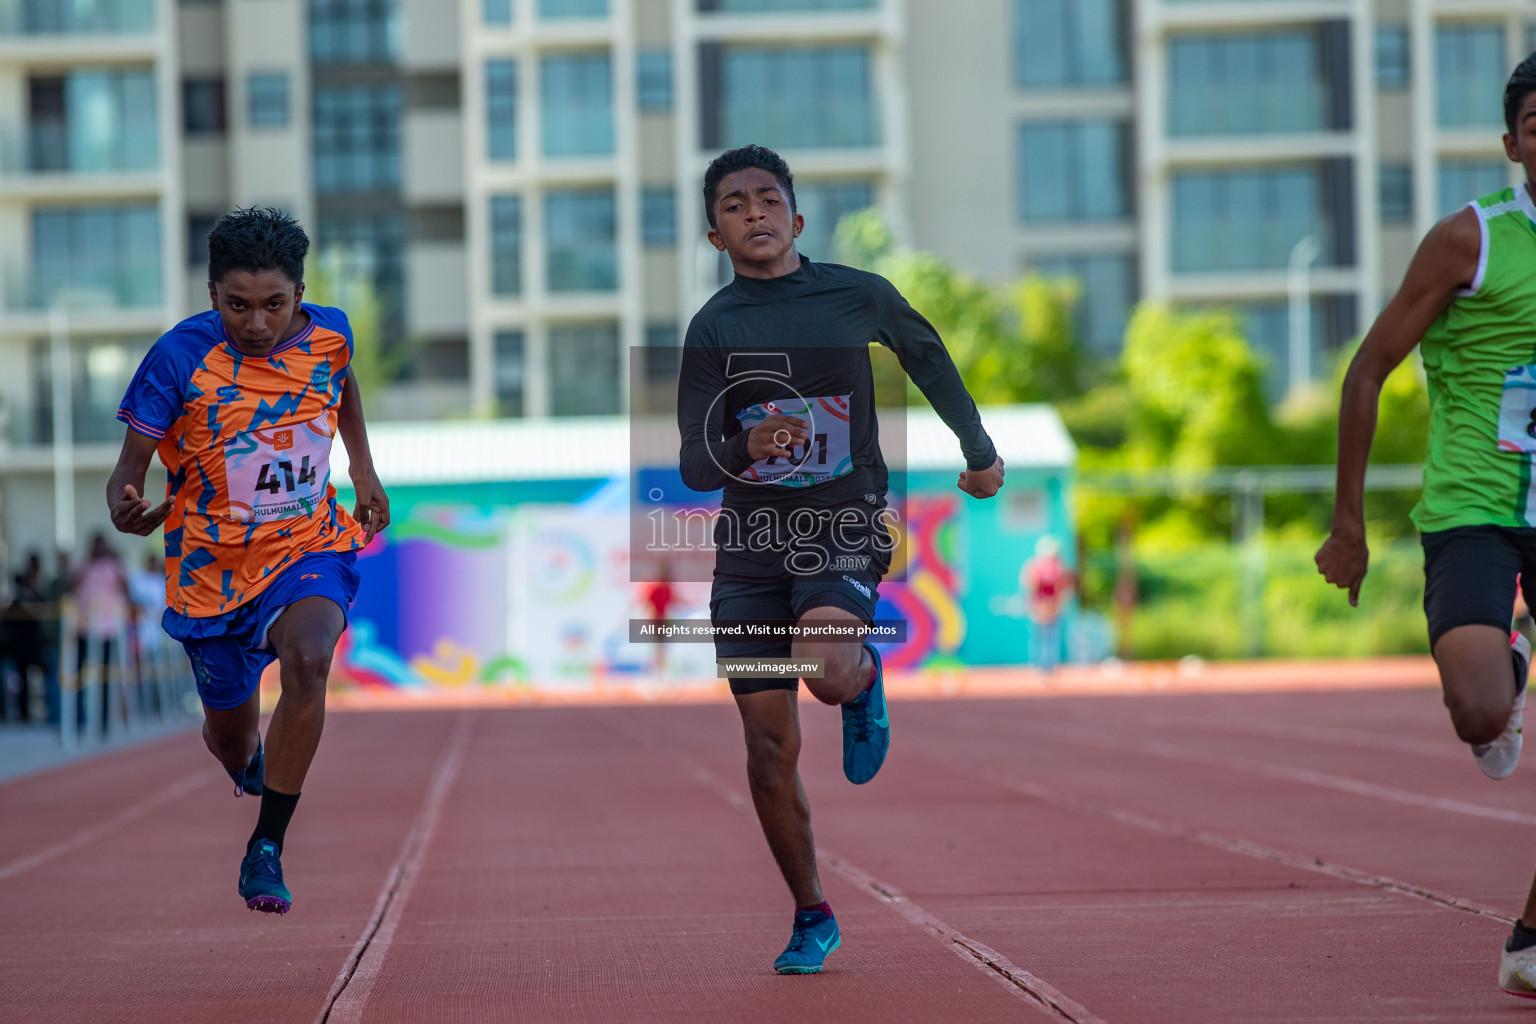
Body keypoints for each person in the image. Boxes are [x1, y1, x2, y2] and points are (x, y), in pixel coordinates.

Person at [677, 145, 1004, 974]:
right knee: (766, 748)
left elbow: (926, 357)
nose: (752, 212)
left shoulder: (856, 294)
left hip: (842, 518)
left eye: (765, 198)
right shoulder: (714, 328)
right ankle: (811, 913)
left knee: (824, 668)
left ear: (796, 215)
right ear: (714, 235)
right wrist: (745, 442)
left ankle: (859, 678)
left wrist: (978, 448)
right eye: (732, 205)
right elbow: (691, 464)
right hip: (751, 547)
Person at [1316, 54, 1536, 999]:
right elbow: (1367, 368)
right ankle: (1512, 663)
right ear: (1511, 144)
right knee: (1480, 712)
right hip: (1475, 509)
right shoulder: (1471, 239)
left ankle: (1528, 936)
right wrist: (1347, 524)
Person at [108, 207, 389, 915]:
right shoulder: (179, 358)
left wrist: (364, 469)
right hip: (210, 576)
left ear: (298, 295)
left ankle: (266, 846)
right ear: (211, 296)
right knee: (232, 742)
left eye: (273, 305)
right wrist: (126, 503)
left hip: (306, 545)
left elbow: (343, 384)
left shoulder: (330, 335)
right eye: (237, 305)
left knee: (309, 660)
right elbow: (127, 472)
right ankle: (246, 761)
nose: (257, 324)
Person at [71, 534, 132, 731]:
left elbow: (126, 588)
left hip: (107, 628)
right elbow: (70, 585)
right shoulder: (82, 565)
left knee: (105, 675)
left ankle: (104, 721)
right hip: (84, 627)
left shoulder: (113, 565)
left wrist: (118, 559)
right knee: (79, 675)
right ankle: (79, 719)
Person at [1022, 536, 1074, 674]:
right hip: (1041, 608)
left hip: (1050, 608)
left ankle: (1046, 666)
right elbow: (1031, 585)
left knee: (1048, 638)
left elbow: (1063, 588)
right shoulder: (1037, 566)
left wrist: (1055, 604)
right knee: (1041, 638)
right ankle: (1041, 665)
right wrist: (1037, 604)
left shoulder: (1058, 567)